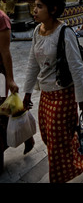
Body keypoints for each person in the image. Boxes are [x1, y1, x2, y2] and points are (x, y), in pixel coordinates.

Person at [23, 0, 83, 183]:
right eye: (35, 6)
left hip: (63, 95)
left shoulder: (65, 33)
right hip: (46, 95)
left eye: (39, 6)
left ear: (53, 9)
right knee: (48, 135)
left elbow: (77, 68)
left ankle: (59, 178)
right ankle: (80, 152)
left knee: (56, 144)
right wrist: (27, 93)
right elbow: (32, 63)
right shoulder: (38, 30)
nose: (34, 10)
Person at [0, 10, 34, 174]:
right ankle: (27, 134)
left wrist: (10, 79)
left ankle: (26, 133)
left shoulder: (1, 19)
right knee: (2, 112)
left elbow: (5, 51)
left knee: (2, 111)